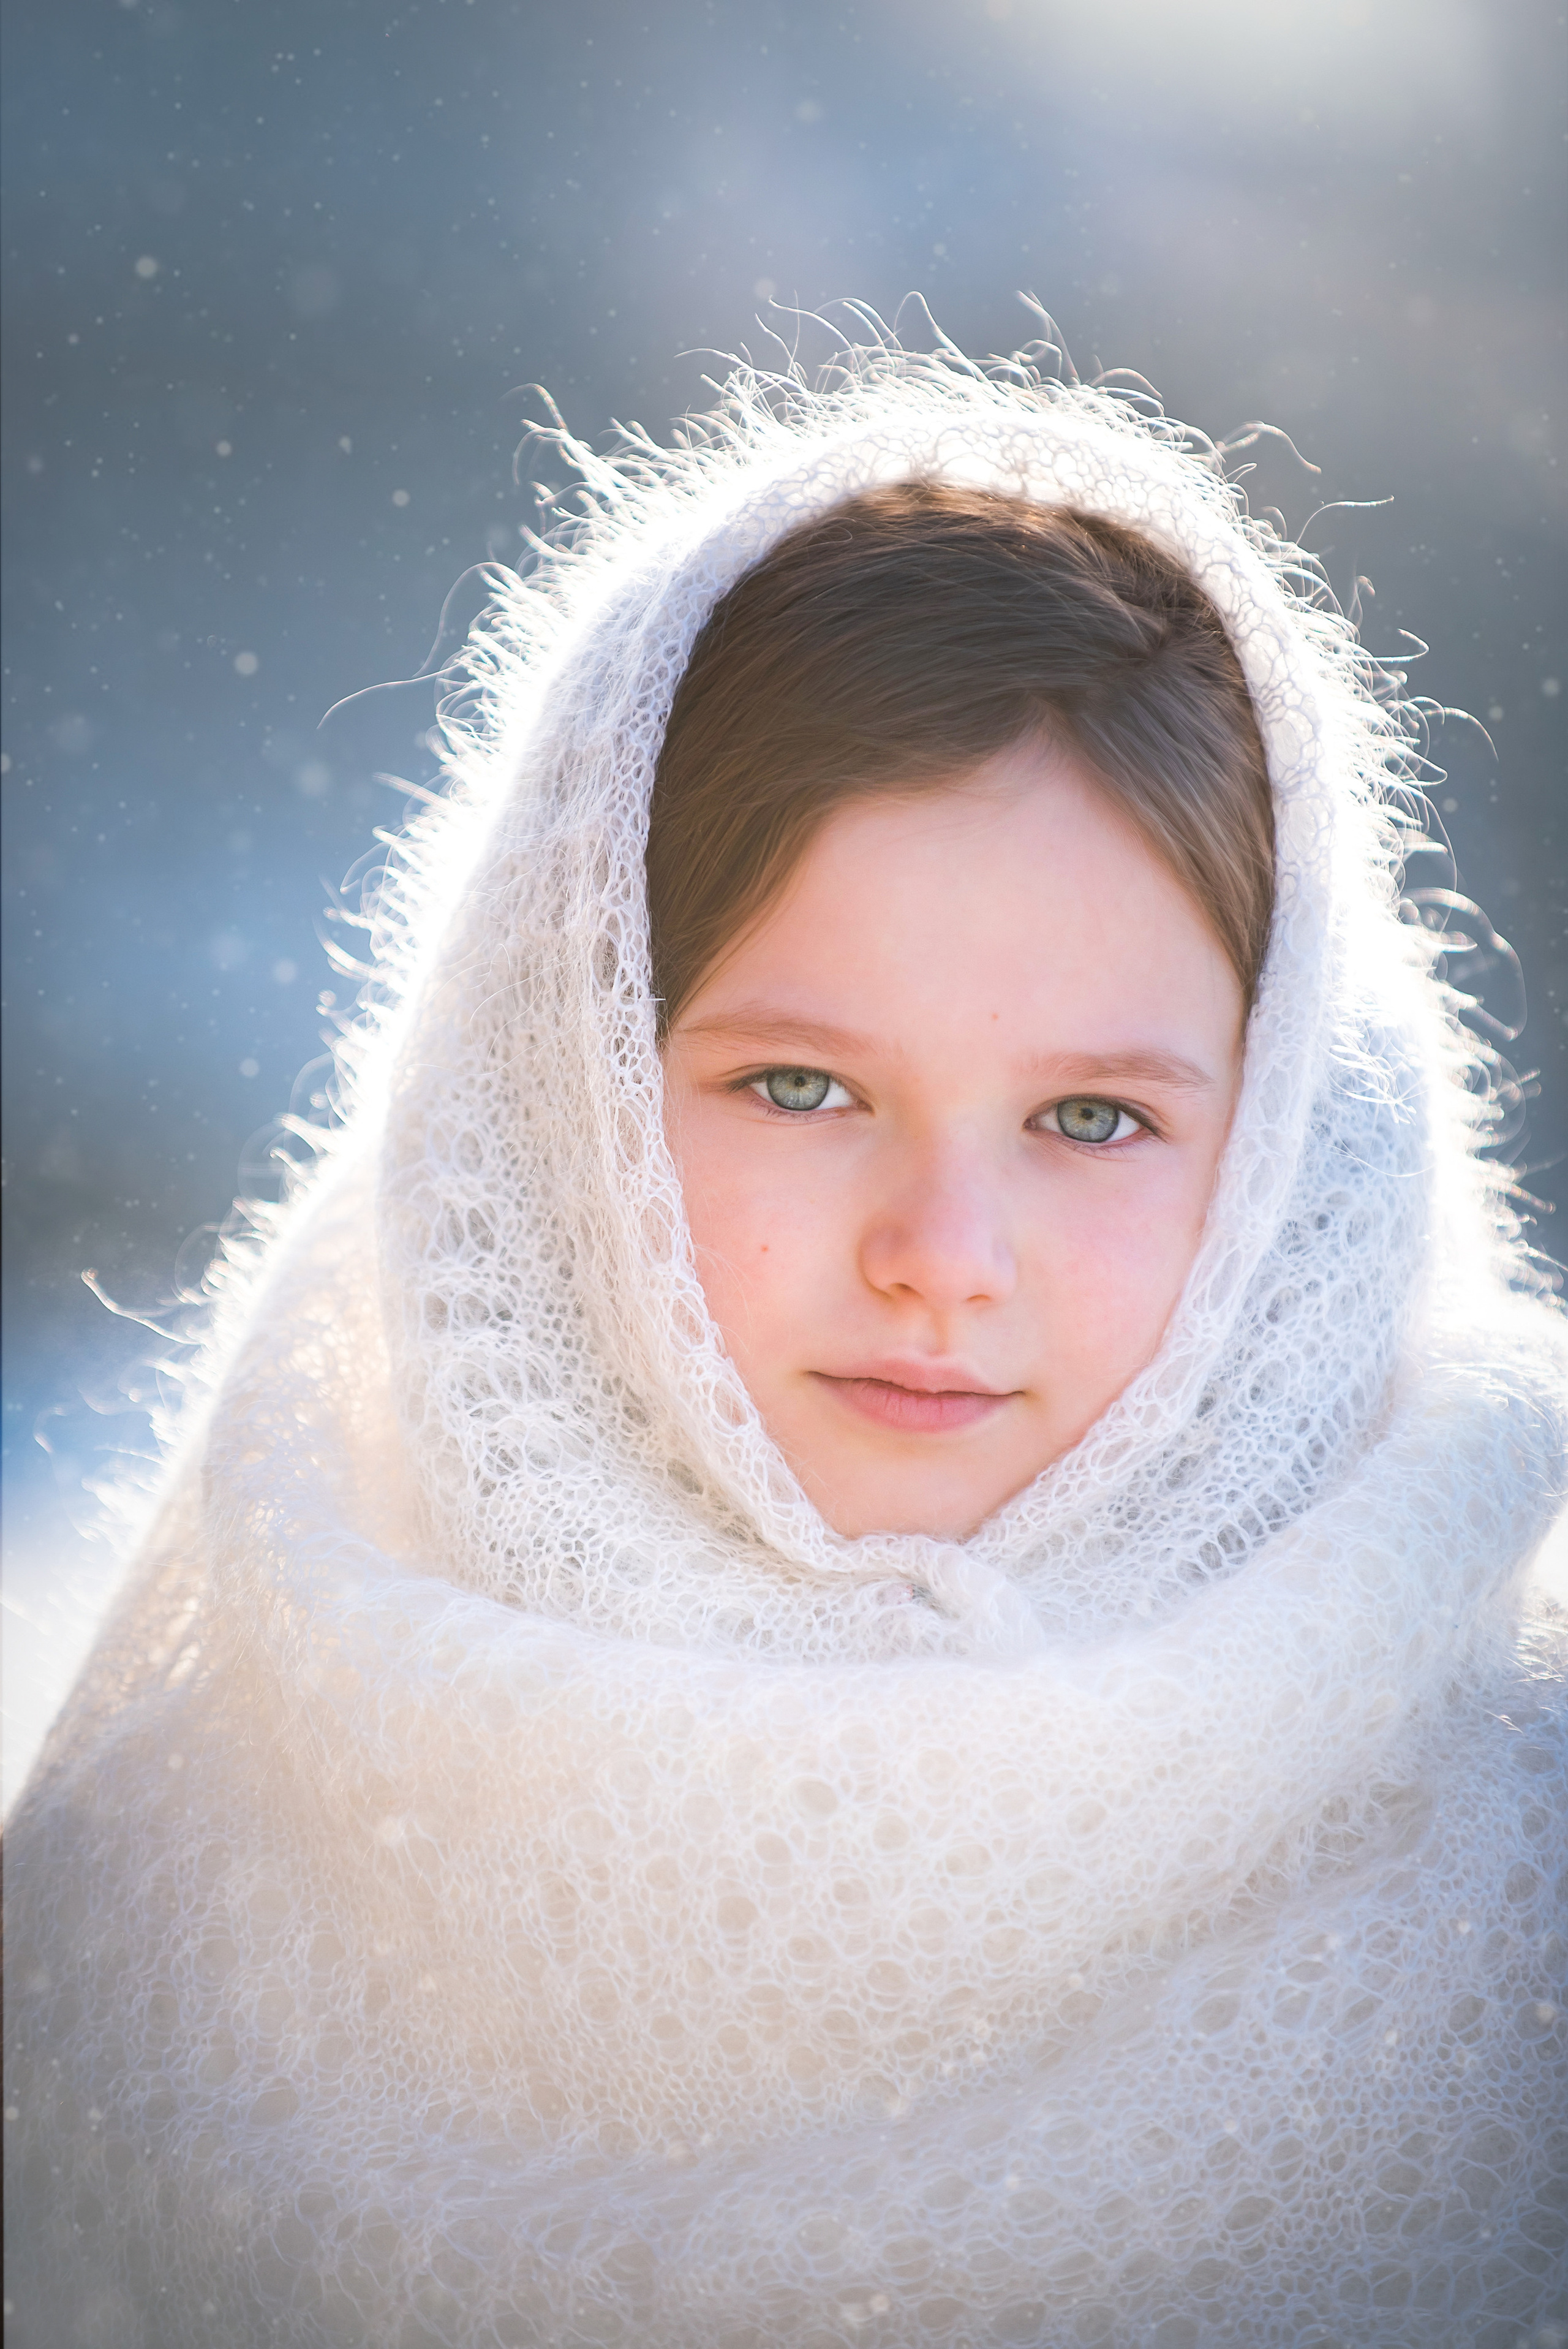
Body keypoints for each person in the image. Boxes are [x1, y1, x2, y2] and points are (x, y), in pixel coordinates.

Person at [5, 330, 1564, 2348]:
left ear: (1291, 1155)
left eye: (1095, 1119)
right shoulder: (179, 1886)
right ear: (557, 1094)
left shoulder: (1511, 1891)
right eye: (801, 1086)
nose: (943, 1258)